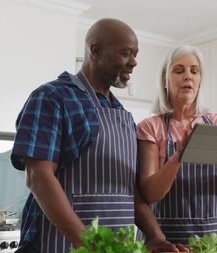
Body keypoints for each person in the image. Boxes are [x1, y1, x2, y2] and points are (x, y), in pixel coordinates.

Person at [11, 18, 182, 253]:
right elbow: (38, 177)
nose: (134, 63)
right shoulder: (52, 97)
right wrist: (91, 245)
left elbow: (129, 188)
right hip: (61, 246)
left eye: (135, 54)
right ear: (96, 51)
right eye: (126, 53)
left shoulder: (121, 113)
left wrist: (156, 238)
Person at [136, 44, 217, 245]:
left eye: (194, 71)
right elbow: (149, 193)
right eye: (179, 70)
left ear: (200, 80)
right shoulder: (150, 128)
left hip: (214, 240)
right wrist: (178, 157)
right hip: (168, 242)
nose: (188, 76)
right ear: (165, 80)